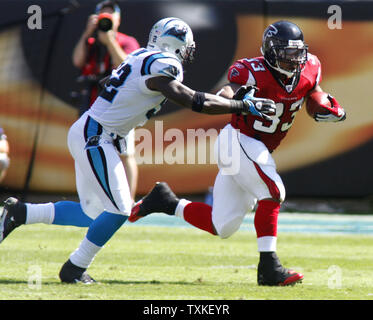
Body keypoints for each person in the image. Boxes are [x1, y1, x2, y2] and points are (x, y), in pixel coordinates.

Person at [0, 17, 275, 283]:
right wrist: (240, 106)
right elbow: (190, 99)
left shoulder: (140, 56)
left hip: (95, 131)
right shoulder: (163, 64)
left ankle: (20, 213)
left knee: (93, 214)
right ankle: (74, 268)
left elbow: (107, 82)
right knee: (120, 210)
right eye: (187, 47)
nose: (188, 53)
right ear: (174, 44)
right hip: (96, 136)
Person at [129, 20, 346, 286]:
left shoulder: (311, 66)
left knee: (222, 225)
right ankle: (269, 269)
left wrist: (324, 105)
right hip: (239, 139)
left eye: (296, 52)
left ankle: (165, 201)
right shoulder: (250, 70)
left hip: (254, 148)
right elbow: (226, 92)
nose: (293, 60)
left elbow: (313, 91)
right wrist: (243, 101)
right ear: (270, 52)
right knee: (274, 191)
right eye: (286, 53)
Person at [72, 0, 140, 201]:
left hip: (120, 109)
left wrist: (110, 39)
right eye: (103, 16)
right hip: (92, 106)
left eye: (110, 17)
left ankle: (129, 205)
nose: (106, 21)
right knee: (86, 152)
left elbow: (126, 65)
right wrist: (87, 33)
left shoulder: (127, 41)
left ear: (118, 20)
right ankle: (91, 201)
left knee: (126, 154)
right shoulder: (91, 41)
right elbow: (77, 61)